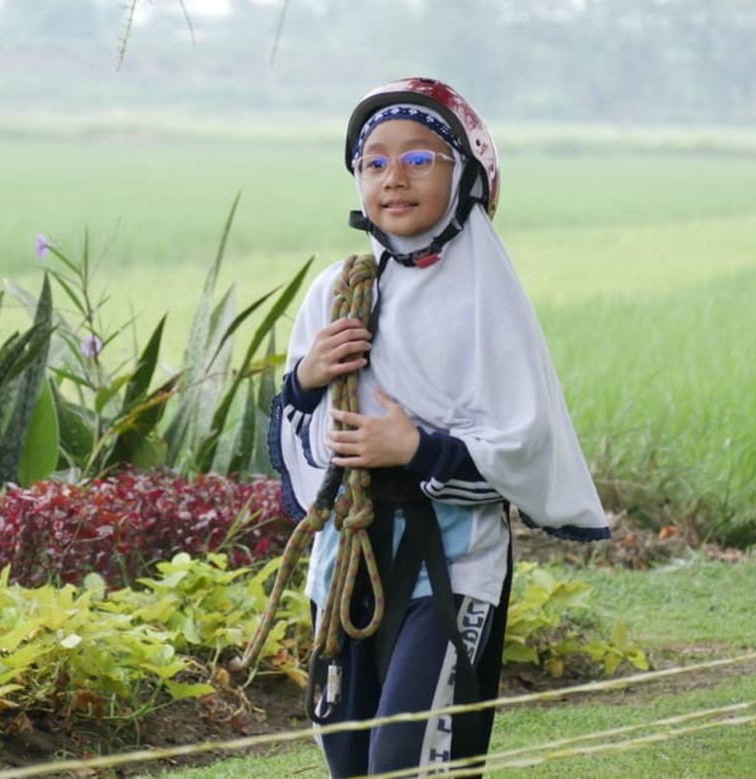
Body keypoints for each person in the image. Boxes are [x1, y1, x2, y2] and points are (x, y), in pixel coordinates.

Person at [268, 77, 609, 778]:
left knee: (412, 757)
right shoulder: (338, 291)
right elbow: (291, 435)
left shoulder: (489, 298)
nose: (394, 178)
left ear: (466, 175)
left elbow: (526, 446)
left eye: (420, 159)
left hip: (450, 562)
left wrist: (415, 448)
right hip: (346, 561)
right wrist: (304, 380)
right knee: (350, 761)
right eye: (374, 161)